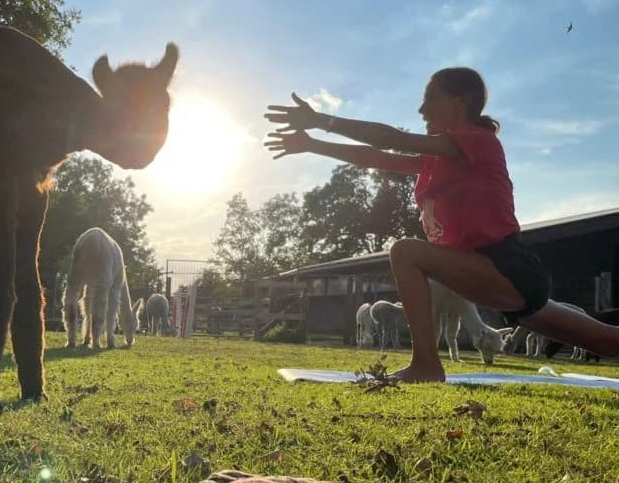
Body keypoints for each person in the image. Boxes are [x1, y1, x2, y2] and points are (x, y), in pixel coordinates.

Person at [264, 67, 619, 382]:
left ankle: (426, 365)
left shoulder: (478, 141)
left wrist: (323, 120)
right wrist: (312, 144)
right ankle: (426, 363)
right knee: (609, 341)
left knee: (405, 252)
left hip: (507, 268)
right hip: (494, 279)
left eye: (430, 99)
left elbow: (390, 139)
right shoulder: (435, 158)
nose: (421, 111)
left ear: (459, 104)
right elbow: (375, 156)